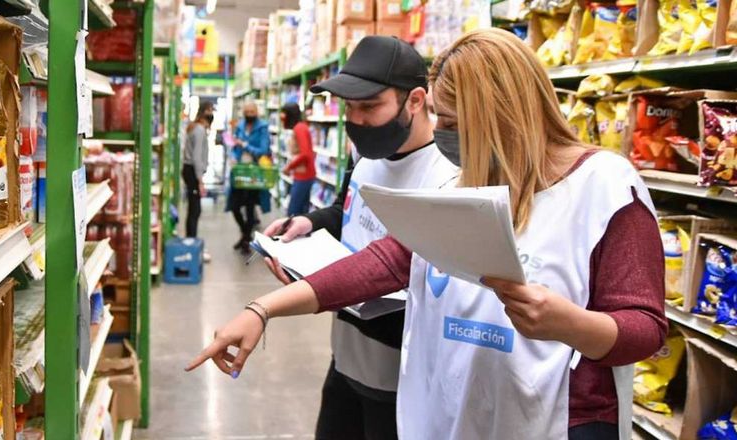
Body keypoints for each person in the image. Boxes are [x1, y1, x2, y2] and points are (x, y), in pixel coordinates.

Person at [187, 29, 667, 440]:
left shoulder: (603, 186)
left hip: (561, 421)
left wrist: (567, 324)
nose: (438, 133)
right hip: (466, 413)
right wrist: (262, 309)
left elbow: (645, 329)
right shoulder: (463, 185)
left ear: (501, 115)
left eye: (452, 123)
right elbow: (387, 262)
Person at [269, 36, 458, 440]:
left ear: (415, 100)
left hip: (398, 376)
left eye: (370, 107)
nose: (357, 121)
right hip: (345, 355)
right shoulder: (366, 155)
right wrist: (311, 222)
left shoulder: (447, 175)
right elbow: (348, 207)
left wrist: (322, 291)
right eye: (349, 109)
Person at [231, 102, 270, 254]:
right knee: (234, 206)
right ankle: (245, 234)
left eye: (252, 111)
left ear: (257, 112)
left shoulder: (262, 128)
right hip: (240, 172)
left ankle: (246, 239)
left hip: (255, 174)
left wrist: (245, 145)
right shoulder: (240, 126)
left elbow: (263, 150)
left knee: (249, 207)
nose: (249, 113)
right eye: (246, 111)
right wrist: (234, 156)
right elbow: (235, 147)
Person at [182, 101, 213, 241]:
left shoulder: (195, 127)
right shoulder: (200, 130)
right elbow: (196, 157)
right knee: (195, 210)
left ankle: (191, 239)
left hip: (190, 170)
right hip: (192, 171)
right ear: (206, 112)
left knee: (194, 208)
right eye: (211, 111)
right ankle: (191, 241)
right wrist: (200, 180)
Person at [281, 103, 316, 216]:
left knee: (293, 212)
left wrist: (289, 167)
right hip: (305, 174)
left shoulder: (299, 128)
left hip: (304, 175)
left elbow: (305, 154)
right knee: (302, 211)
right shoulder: (301, 127)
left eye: (284, 114)